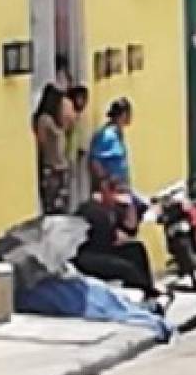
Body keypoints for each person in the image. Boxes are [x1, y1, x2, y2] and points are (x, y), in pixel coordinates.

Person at [74, 176, 161, 305]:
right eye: (117, 192)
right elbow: (104, 237)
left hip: (105, 249)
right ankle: (139, 294)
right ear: (105, 192)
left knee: (136, 248)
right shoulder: (91, 210)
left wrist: (131, 205)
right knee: (127, 268)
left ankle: (148, 289)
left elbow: (130, 229)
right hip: (89, 255)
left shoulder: (112, 208)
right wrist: (116, 236)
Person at [33, 84, 71, 214]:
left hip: (60, 166)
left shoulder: (57, 120)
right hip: (52, 167)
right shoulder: (45, 120)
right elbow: (42, 141)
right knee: (53, 206)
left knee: (63, 205)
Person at [89, 98, 134, 188]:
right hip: (110, 189)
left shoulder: (117, 134)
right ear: (124, 114)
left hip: (120, 187)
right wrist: (105, 181)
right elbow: (95, 161)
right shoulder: (107, 134)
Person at [66, 85, 92, 208]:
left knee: (79, 182)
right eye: (81, 98)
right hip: (69, 155)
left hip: (80, 152)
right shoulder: (70, 115)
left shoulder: (80, 115)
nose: (83, 102)